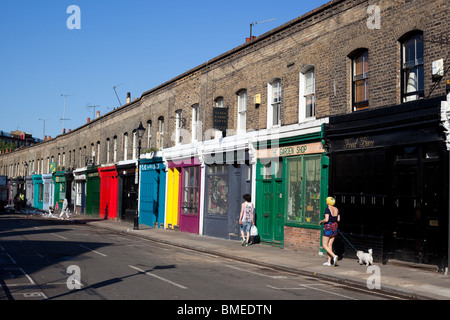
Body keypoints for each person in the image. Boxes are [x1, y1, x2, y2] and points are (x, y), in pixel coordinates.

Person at [319, 197, 340, 266]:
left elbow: (326, 219)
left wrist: (321, 221)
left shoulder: (327, 209)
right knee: (330, 245)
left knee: (324, 245)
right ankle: (328, 262)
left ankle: (334, 256)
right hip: (335, 226)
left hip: (328, 227)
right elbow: (338, 219)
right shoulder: (336, 209)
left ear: (327, 202)